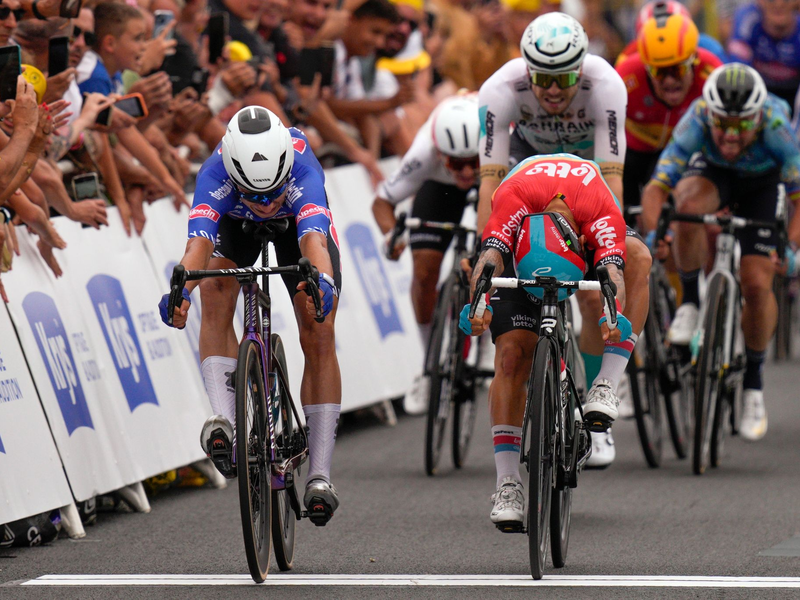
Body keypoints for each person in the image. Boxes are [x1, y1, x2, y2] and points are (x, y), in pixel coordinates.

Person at [477, 12, 651, 467]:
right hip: (525, 170)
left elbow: (612, 179)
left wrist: (603, 243)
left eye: (565, 78)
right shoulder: (499, 89)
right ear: (526, 70)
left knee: (622, 269)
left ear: (583, 67)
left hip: (589, 170)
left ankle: (602, 391)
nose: (553, 91)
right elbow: (490, 181)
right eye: (543, 79)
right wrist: (484, 248)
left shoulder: (607, 85)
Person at [160, 106, 343, 523]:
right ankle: (225, 418)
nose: (264, 204)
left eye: (271, 192)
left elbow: (314, 240)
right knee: (214, 285)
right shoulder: (214, 174)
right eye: (253, 195)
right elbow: (196, 250)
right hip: (233, 228)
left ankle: (320, 474)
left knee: (318, 327)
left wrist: (325, 286)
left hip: (295, 228)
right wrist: (179, 292)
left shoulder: (301, 166)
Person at [461, 153, 631, 528]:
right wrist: (477, 305)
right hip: (526, 247)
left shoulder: (598, 207)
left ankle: (606, 382)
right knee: (510, 357)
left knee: (636, 259)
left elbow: (613, 270)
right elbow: (489, 258)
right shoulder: (514, 197)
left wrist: (611, 315)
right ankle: (507, 482)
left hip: (581, 232)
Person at [641, 63, 800, 442]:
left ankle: (754, 385)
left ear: (757, 118)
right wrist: (654, 235)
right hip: (714, 174)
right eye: (722, 124)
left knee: (758, 282)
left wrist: (791, 247)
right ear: (709, 114)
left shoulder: (777, 129)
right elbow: (656, 189)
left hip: (762, 184)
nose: (730, 133)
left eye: (741, 124)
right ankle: (692, 303)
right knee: (686, 206)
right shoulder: (696, 119)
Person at [371, 94, 480, 413]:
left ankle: (487, 346)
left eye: (472, 161)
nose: (466, 171)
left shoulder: (499, 141)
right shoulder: (423, 154)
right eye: (456, 163)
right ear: (440, 153)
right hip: (438, 189)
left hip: (494, 181)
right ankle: (430, 366)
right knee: (423, 271)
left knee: (497, 253)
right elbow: (381, 202)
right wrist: (392, 235)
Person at [616, 6, 722, 209]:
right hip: (636, 150)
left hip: (686, 148)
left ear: (694, 62)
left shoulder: (711, 74)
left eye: (678, 68)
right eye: (659, 71)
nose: (670, 80)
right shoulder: (626, 75)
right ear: (645, 66)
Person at [727, 0, 800, 112]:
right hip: (757, 91)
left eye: (786, 0)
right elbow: (738, 72)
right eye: (771, 0)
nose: (779, 4)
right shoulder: (748, 18)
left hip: (795, 93)